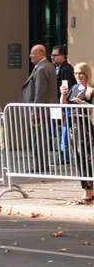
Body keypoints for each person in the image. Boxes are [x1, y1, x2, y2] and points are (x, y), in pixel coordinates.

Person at [60, 62, 94, 205]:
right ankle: (87, 192)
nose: (78, 76)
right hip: (73, 127)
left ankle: (89, 193)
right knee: (78, 160)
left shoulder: (91, 90)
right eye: (76, 73)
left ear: (86, 74)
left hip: (85, 126)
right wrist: (63, 95)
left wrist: (83, 104)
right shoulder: (73, 88)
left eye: (81, 73)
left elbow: (92, 107)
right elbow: (64, 104)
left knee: (87, 160)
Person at [51, 45, 76, 165]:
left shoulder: (66, 69)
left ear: (63, 56)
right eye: (52, 55)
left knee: (63, 131)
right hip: (59, 104)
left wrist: (64, 108)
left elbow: (67, 89)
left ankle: (64, 156)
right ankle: (62, 155)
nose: (52, 57)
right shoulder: (59, 68)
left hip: (64, 105)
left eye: (55, 55)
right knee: (59, 131)